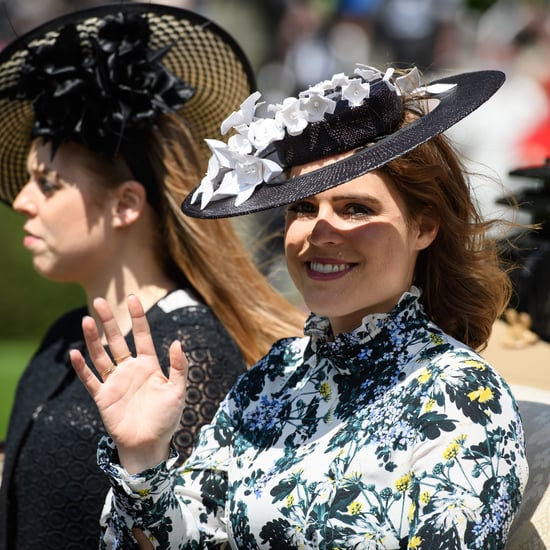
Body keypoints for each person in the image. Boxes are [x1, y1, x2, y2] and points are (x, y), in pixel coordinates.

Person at [71, 64, 529, 548]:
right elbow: (189, 535)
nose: (319, 230)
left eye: (356, 208)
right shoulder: (276, 376)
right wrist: (143, 458)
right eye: (303, 208)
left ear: (424, 227)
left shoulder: (462, 396)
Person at [0, 4, 306, 549]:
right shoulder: (63, 336)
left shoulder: (190, 354)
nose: (22, 202)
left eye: (48, 184)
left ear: (125, 205)